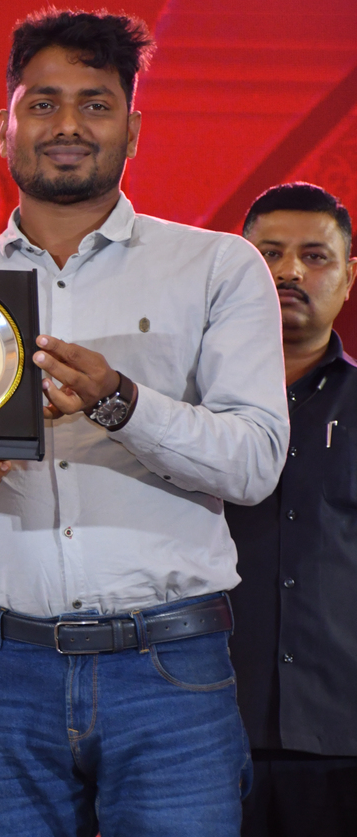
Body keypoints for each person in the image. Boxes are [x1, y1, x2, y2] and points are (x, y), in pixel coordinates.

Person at [0, 9, 289, 836]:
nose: (67, 125)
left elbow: (254, 464)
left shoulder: (216, 267)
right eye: (42, 103)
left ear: (133, 129)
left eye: (95, 104)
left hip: (169, 668)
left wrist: (120, 402)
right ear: (3, 127)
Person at [229, 182, 357, 836]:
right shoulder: (181, 411)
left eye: (315, 256)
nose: (289, 272)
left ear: (349, 276)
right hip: (197, 732)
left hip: (344, 740)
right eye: (269, 254)